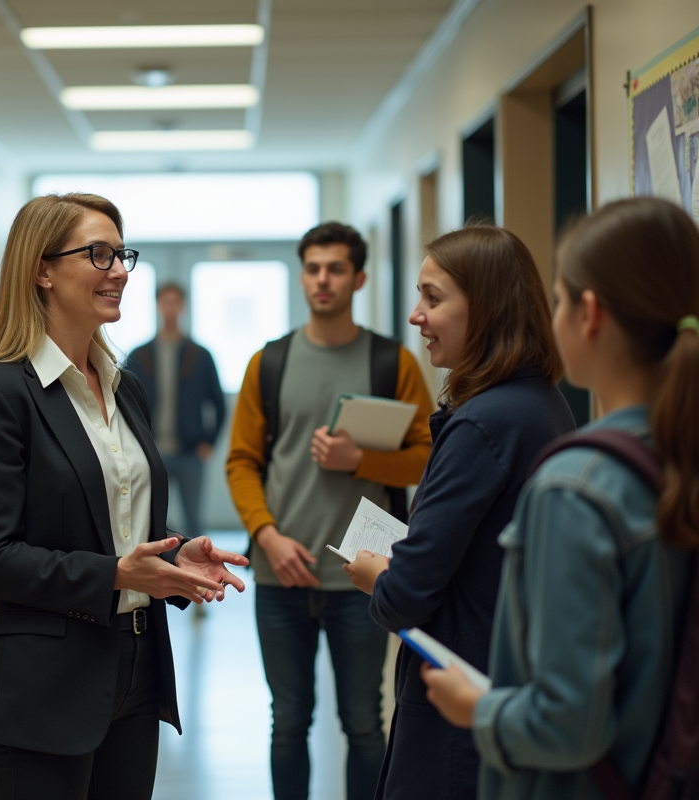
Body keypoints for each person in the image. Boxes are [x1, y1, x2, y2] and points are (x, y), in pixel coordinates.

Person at [0, 192, 250, 800]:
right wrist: (115, 574)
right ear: (42, 269)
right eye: (99, 254)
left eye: (122, 255)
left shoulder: (125, 386)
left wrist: (174, 555)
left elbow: (120, 525)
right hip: (43, 686)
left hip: (137, 668)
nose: (119, 271)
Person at [421, 198, 699, 800]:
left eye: (561, 301)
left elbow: (566, 723)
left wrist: (478, 707)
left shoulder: (575, 489)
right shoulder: (678, 455)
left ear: (590, 315)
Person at [343, 225, 576, 800]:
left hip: (461, 692)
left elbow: (405, 598)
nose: (415, 316)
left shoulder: (481, 424)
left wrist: (376, 575)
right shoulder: (541, 404)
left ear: (488, 307)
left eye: (433, 297)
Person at [225, 222, 434, 800]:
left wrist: (360, 459)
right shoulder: (268, 363)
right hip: (280, 573)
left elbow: (427, 458)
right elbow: (241, 462)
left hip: (363, 576)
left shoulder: (393, 363)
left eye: (336, 268)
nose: (323, 279)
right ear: (302, 276)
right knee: (288, 722)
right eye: (313, 268)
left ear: (358, 278)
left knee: (365, 723)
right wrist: (265, 536)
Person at [124, 282, 226, 543]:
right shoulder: (139, 354)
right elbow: (123, 402)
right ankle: (163, 574)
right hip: (152, 451)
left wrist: (209, 442)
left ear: (183, 307)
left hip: (191, 452)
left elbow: (219, 404)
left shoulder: (200, 355)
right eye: (165, 302)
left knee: (193, 520)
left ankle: (200, 575)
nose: (169, 308)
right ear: (158, 306)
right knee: (154, 519)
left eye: (175, 302)